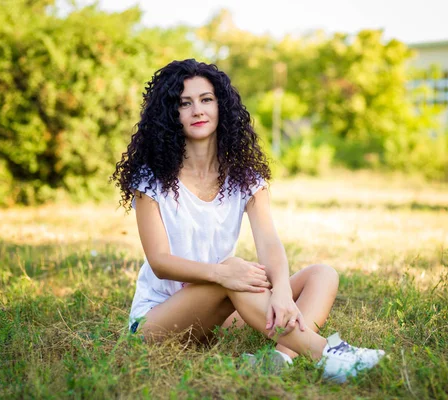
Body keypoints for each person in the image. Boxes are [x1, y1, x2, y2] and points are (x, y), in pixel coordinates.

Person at [112, 59, 385, 383]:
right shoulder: (151, 179)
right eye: (184, 103)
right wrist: (223, 272)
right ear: (170, 114)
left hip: (219, 313)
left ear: (221, 106)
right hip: (158, 320)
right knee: (233, 274)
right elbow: (160, 262)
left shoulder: (245, 179)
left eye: (206, 99)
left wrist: (282, 290)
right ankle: (325, 355)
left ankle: (281, 358)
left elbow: (269, 242)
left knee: (321, 275)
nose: (197, 110)